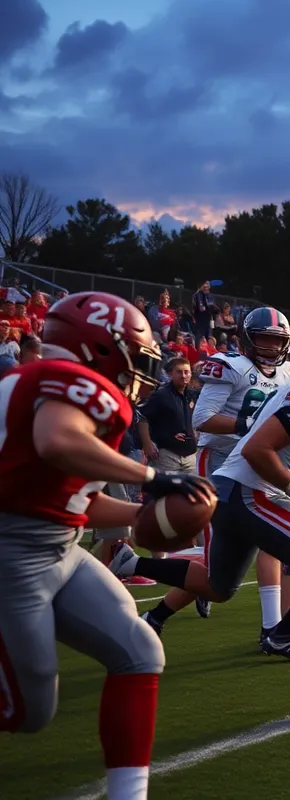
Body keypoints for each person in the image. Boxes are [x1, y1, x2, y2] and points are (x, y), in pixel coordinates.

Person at [0, 291, 215, 800]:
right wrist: (152, 478)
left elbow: (78, 502)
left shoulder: (36, 383)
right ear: (99, 346)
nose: (140, 372)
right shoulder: (71, 382)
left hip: (57, 543)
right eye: (137, 357)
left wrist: (148, 516)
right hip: (13, 550)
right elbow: (58, 441)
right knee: (27, 711)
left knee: (139, 650)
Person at [110, 331, 290, 718]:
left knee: (218, 586)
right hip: (252, 491)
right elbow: (259, 449)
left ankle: (131, 563)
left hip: (235, 488)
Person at [141, 307, 290, 640]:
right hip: (220, 459)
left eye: (277, 342)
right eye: (263, 340)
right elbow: (202, 418)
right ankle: (137, 571)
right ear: (246, 339)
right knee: (219, 570)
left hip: (259, 462)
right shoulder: (232, 366)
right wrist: (252, 425)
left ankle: (271, 629)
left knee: (264, 542)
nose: (271, 348)